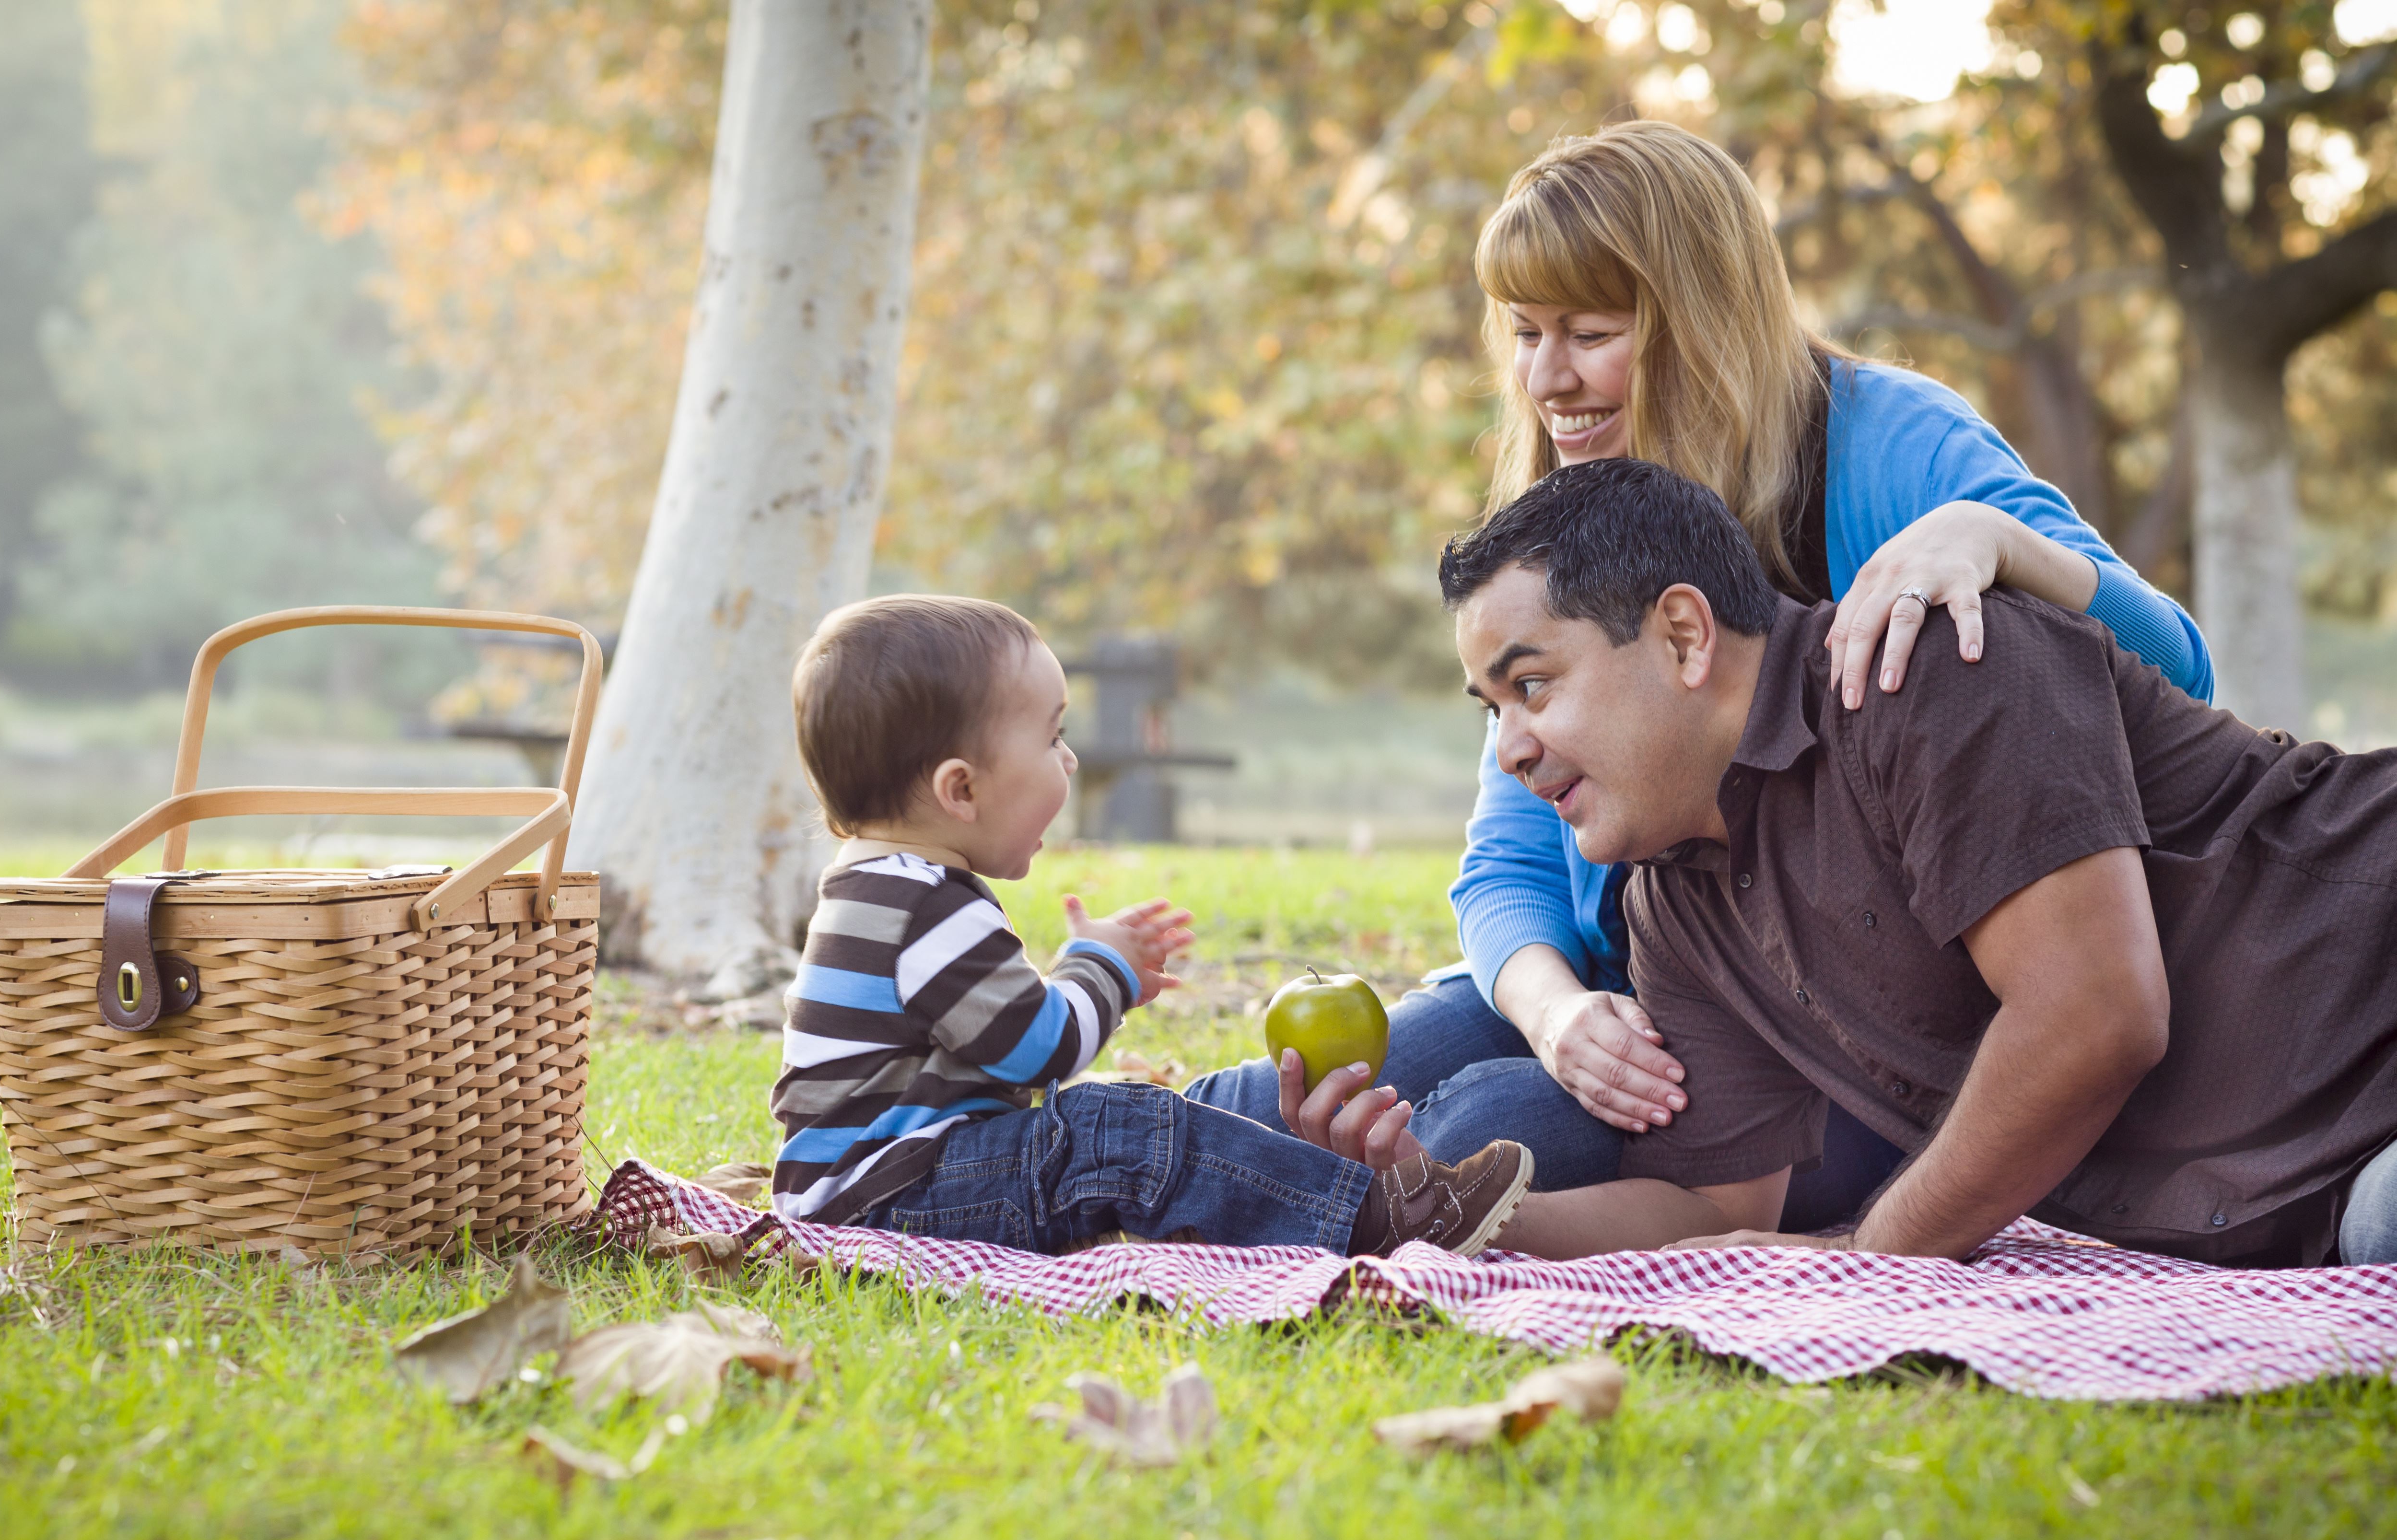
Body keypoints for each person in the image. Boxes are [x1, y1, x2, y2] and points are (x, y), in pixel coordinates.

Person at [1182, 120, 2213, 1230]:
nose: (1545, 378)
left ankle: (1338, 1211)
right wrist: (1557, 1014)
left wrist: (1990, 539)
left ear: (1699, 319)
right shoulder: (1566, 518)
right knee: (1282, 1099)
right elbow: (1506, 865)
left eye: (1587, 332)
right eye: (1524, 333)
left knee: (1483, 1127)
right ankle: (1054, 1166)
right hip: (1632, 984)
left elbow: (2172, 670)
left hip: (1842, 1027)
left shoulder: (1880, 445)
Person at [1290, 456, 2397, 1268]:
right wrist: (1433, 1212)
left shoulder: (1929, 673)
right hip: (2327, 1203)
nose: (1510, 747)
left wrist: (1879, 1254)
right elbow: (1714, 1213)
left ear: (1682, 636)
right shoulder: (1674, 902)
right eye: (1490, 709)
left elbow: (2092, 1014)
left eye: (1530, 685)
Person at [769, 593, 1531, 1258]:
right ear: (959, 789)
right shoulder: (926, 906)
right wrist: (1099, 967)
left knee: (1100, 1129)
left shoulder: (877, 889)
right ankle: (1378, 1218)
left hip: (884, 1190)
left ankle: (1320, 1206)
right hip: (895, 1202)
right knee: (1114, 1126)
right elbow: (1039, 1050)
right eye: (1051, 739)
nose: (1068, 762)